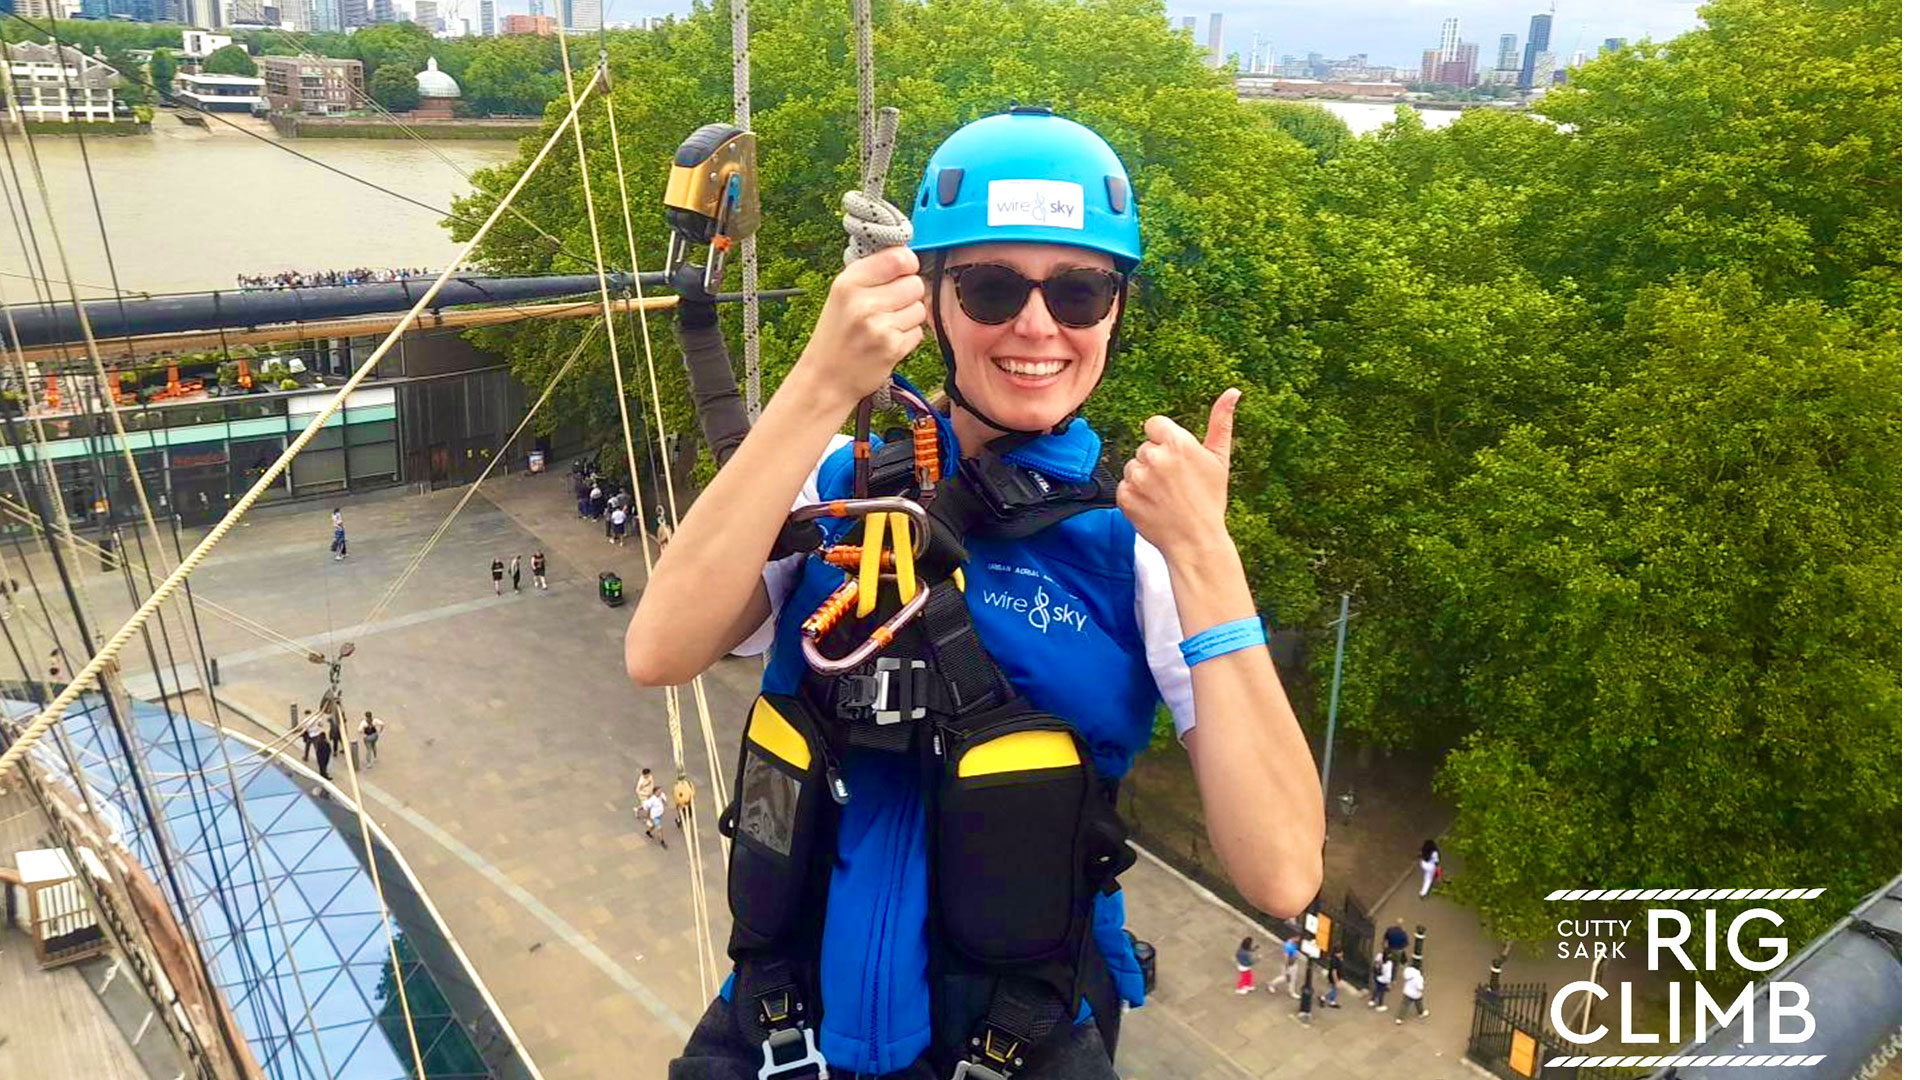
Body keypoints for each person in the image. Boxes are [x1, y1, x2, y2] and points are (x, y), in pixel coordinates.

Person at [628, 106, 1324, 1079]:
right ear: (934, 300)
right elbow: (658, 648)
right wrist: (822, 382)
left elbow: (1284, 872)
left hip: (1007, 1049)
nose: (1036, 327)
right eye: (992, 288)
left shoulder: (1141, 550)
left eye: (1079, 293)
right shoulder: (839, 481)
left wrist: (1207, 555)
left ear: (1116, 310)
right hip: (783, 1033)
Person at [1321, 942, 1345, 1008]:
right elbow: (1334, 971)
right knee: (1333, 990)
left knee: (1334, 990)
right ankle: (1324, 998)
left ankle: (1331, 1001)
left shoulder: (1337, 959)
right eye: (1340, 952)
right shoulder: (1334, 960)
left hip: (1336, 977)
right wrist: (1336, 981)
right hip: (1333, 978)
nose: (1342, 953)